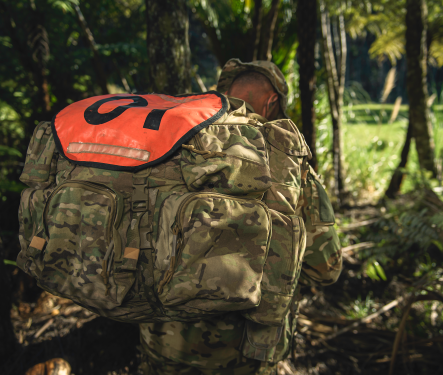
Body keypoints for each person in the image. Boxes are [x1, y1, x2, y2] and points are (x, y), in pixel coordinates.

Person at [139, 59, 342, 375]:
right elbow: (326, 269)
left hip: (159, 340)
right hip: (240, 355)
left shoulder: (169, 145)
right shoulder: (285, 161)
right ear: (272, 101)